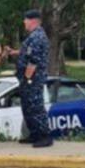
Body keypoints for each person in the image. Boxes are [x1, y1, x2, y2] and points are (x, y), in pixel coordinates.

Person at [15, 9, 53, 148]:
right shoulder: (33, 36)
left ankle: (44, 136)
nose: (24, 22)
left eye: (26, 20)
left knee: (36, 106)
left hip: (33, 79)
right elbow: (26, 53)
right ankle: (34, 134)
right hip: (29, 79)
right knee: (28, 107)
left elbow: (33, 61)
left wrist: (27, 78)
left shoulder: (37, 37)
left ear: (33, 21)